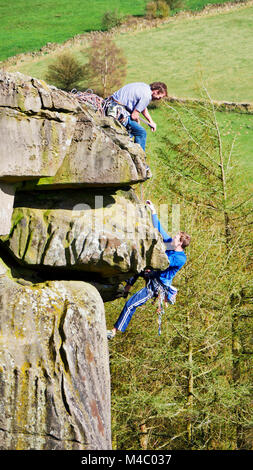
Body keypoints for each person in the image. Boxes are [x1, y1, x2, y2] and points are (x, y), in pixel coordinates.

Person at [107, 200, 191, 339]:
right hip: (153, 275)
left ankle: (113, 331)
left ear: (180, 243)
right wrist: (153, 210)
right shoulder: (171, 245)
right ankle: (126, 288)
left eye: (176, 237)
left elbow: (164, 263)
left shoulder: (181, 258)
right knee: (137, 267)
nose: (173, 237)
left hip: (157, 285)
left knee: (130, 305)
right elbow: (159, 229)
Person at [106, 82, 168, 152]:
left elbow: (142, 106)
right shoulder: (147, 96)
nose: (159, 99)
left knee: (135, 127)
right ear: (156, 91)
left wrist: (151, 121)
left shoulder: (144, 87)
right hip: (118, 111)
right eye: (160, 96)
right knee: (141, 132)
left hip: (110, 104)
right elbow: (134, 116)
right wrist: (137, 120)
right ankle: (140, 157)